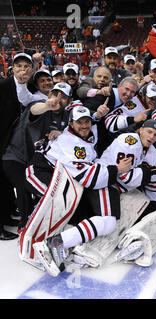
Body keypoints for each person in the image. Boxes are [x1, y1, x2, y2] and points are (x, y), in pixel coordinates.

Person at [22, 105, 133, 276]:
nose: (84, 125)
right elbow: (87, 178)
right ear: (71, 124)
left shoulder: (85, 135)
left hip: (62, 176)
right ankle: (31, 243)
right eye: (79, 122)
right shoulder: (70, 142)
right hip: (39, 170)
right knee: (53, 203)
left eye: (86, 121)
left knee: (72, 210)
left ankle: (54, 242)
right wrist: (116, 170)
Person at [2, 82, 73, 228]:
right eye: (55, 94)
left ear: (69, 101)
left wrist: (62, 134)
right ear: (49, 95)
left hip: (35, 161)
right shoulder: (40, 105)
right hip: (14, 157)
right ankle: (27, 226)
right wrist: (47, 105)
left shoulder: (67, 116)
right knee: (24, 186)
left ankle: (39, 218)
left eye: (64, 97)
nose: (58, 99)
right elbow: (35, 110)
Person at [0, 52, 34, 240]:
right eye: (19, 66)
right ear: (12, 68)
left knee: (5, 184)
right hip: (2, 140)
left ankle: (6, 217)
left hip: (9, 144)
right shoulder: (3, 85)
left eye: (26, 66)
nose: (23, 69)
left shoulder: (27, 87)